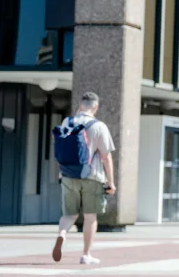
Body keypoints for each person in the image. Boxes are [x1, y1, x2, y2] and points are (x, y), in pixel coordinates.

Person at [51, 92, 115, 265]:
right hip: (92, 177)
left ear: (80, 105)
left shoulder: (67, 122)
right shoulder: (99, 126)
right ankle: (86, 254)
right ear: (96, 107)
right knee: (90, 216)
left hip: (68, 175)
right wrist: (111, 182)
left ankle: (62, 235)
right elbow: (105, 157)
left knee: (68, 214)